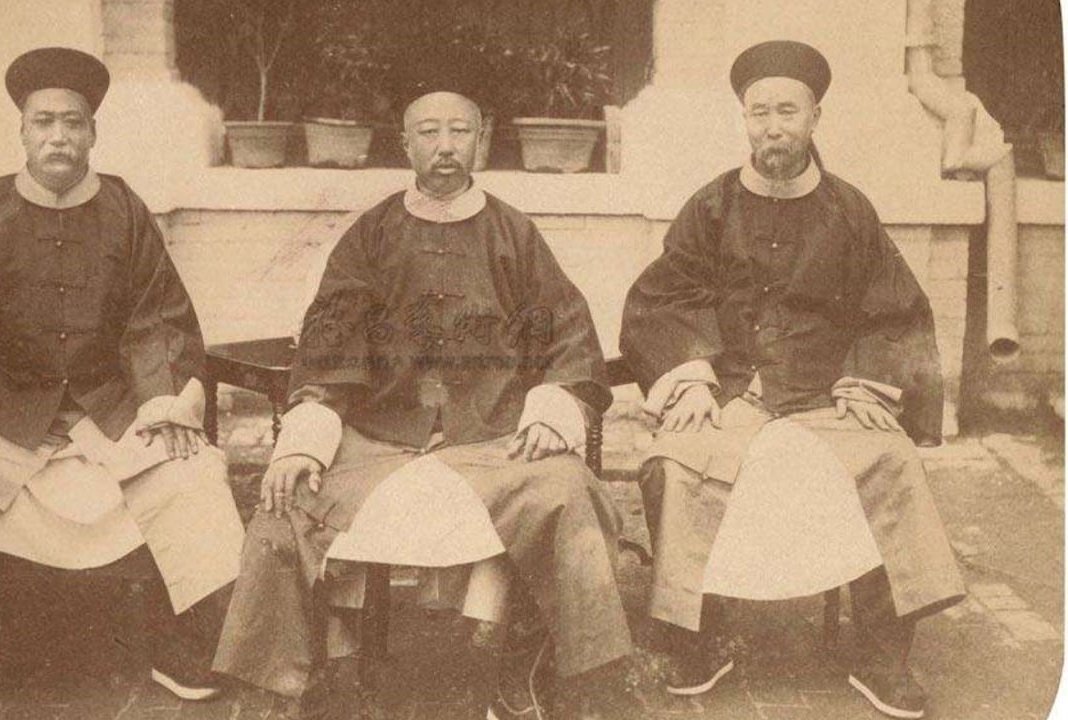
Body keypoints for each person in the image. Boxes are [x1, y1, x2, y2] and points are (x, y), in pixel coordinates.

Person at [212, 91, 635, 719]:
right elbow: (330, 339)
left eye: (460, 131)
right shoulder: (371, 234)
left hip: (490, 437)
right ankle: (288, 685)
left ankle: (543, 671)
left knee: (569, 490)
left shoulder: (514, 234)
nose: (445, 147)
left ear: (481, 141)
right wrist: (305, 437)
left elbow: (568, 332)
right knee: (286, 498)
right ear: (405, 144)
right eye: (429, 133)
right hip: (379, 437)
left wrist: (553, 407)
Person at [0, 47, 244, 715]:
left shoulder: (124, 208)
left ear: (92, 133)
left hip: (112, 412)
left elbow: (157, 317)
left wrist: (163, 401)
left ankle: (183, 638)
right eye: (43, 122)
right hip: (7, 415)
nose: (58, 137)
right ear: (22, 131)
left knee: (195, 473)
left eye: (73, 123)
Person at [618, 40, 966, 719]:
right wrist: (690, 377)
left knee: (890, 460)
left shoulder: (850, 211)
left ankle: (881, 652)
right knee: (672, 463)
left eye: (788, 112)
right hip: (728, 395)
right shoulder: (711, 206)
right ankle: (700, 635)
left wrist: (865, 380)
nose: (774, 127)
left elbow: (894, 308)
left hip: (825, 396)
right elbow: (663, 298)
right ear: (745, 119)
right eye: (760, 113)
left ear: (815, 118)